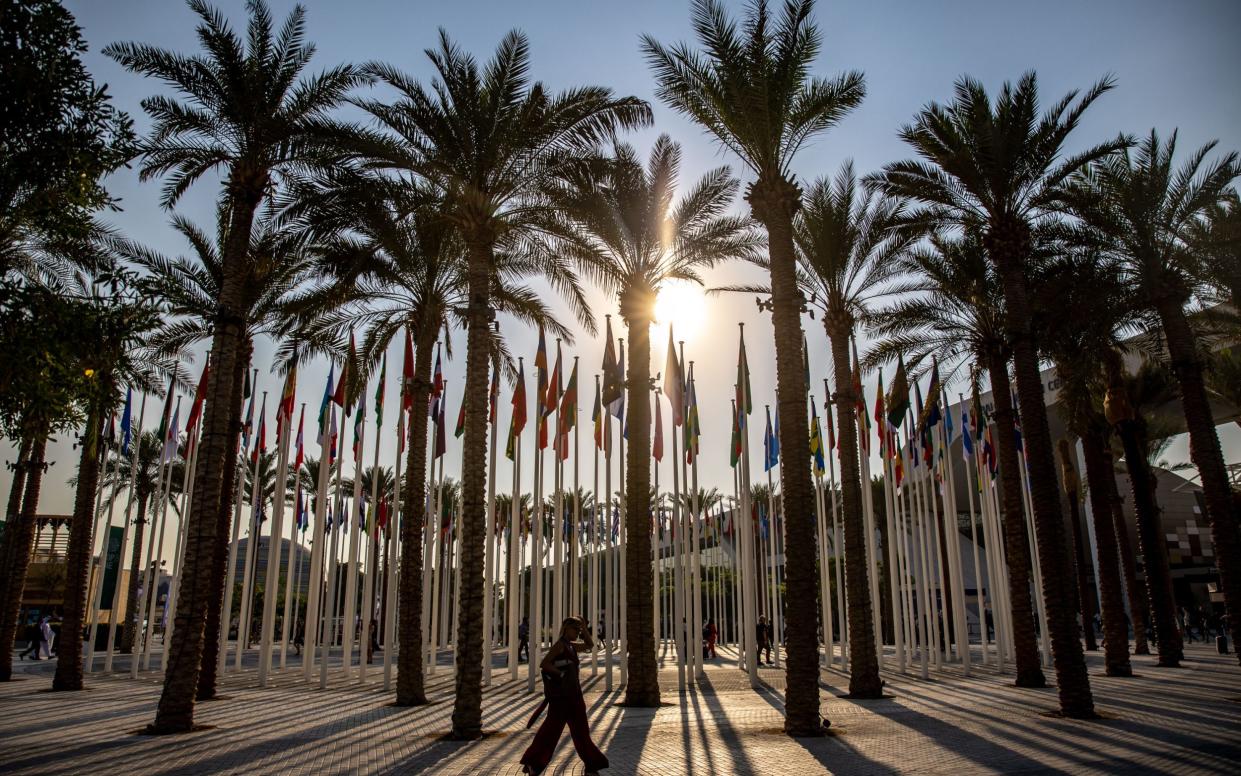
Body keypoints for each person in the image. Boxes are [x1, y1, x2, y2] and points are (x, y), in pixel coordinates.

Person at [521, 616, 608, 776]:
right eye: (575, 629)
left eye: (578, 630)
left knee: (581, 733)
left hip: (574, 696)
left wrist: (584, 628)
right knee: (550, 731)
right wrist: (560, 674)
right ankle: (533, 763)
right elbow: (544, 663)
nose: (577, 632)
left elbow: (590, 645)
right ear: (566, 628)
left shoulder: (571, 646)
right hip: (561, 698)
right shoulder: (560, 645)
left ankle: (592, 766)